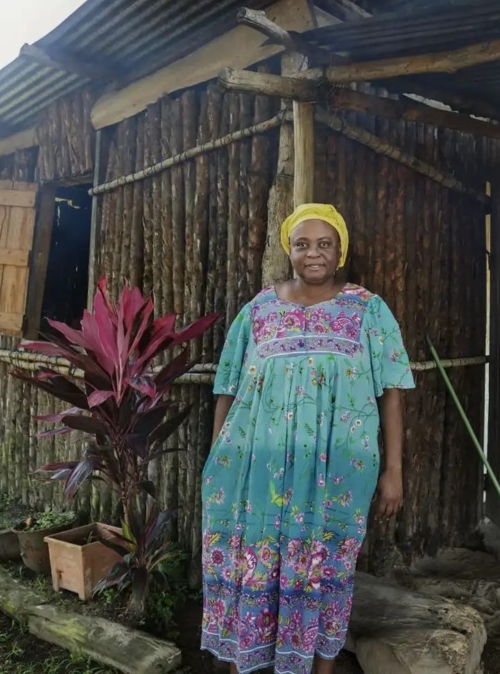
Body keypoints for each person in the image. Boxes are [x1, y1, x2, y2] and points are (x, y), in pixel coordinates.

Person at [200, 203, 415, 674]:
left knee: (325, 570)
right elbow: (228, 389)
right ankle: (243, 663)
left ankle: (320, 670)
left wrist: (393, 471)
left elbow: (392, 393)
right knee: (253, 565)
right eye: (302, 244)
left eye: (324, 244)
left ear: (340, 251)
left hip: (337, 473)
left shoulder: (368, 310)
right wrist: (219, 457)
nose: (313, 253)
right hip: (257, 473)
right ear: (289, 250)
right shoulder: (258, 311)